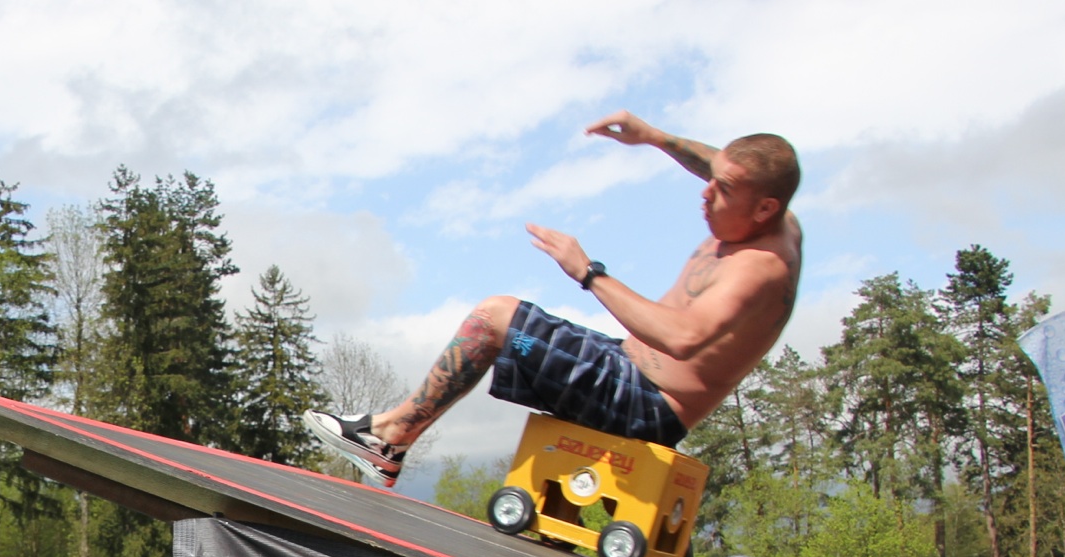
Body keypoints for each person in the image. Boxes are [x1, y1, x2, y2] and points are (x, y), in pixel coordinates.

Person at [306, 113, 801, 488]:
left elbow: (683, 338)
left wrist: (588, 272)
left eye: (723, 189)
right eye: (710, 178)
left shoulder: (759, 267)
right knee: (503, 320)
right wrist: (653, 136)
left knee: (496, 318)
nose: (706, 193)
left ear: (765, 208)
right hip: (627, 369)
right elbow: (720, 163)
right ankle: (390, 437)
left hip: (645, 404)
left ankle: (390, 437)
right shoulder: (763, 207)